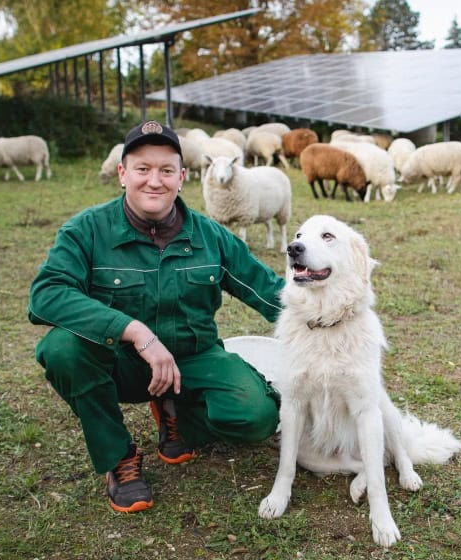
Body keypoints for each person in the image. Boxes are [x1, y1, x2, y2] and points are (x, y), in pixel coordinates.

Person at [28, 120, 285, 513]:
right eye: (142, 169)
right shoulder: (87, 230)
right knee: (62, 348)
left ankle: (178, 412)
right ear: (122, 173)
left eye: (166, 170)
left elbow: (266, 289)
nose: (154, 181)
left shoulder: (210, 236)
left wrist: (332, 319)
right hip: (122, 362)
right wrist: (132, 331)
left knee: (256, 416)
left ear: (182, 177)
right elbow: (47, 294)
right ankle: (119, 456)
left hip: (194, 357)